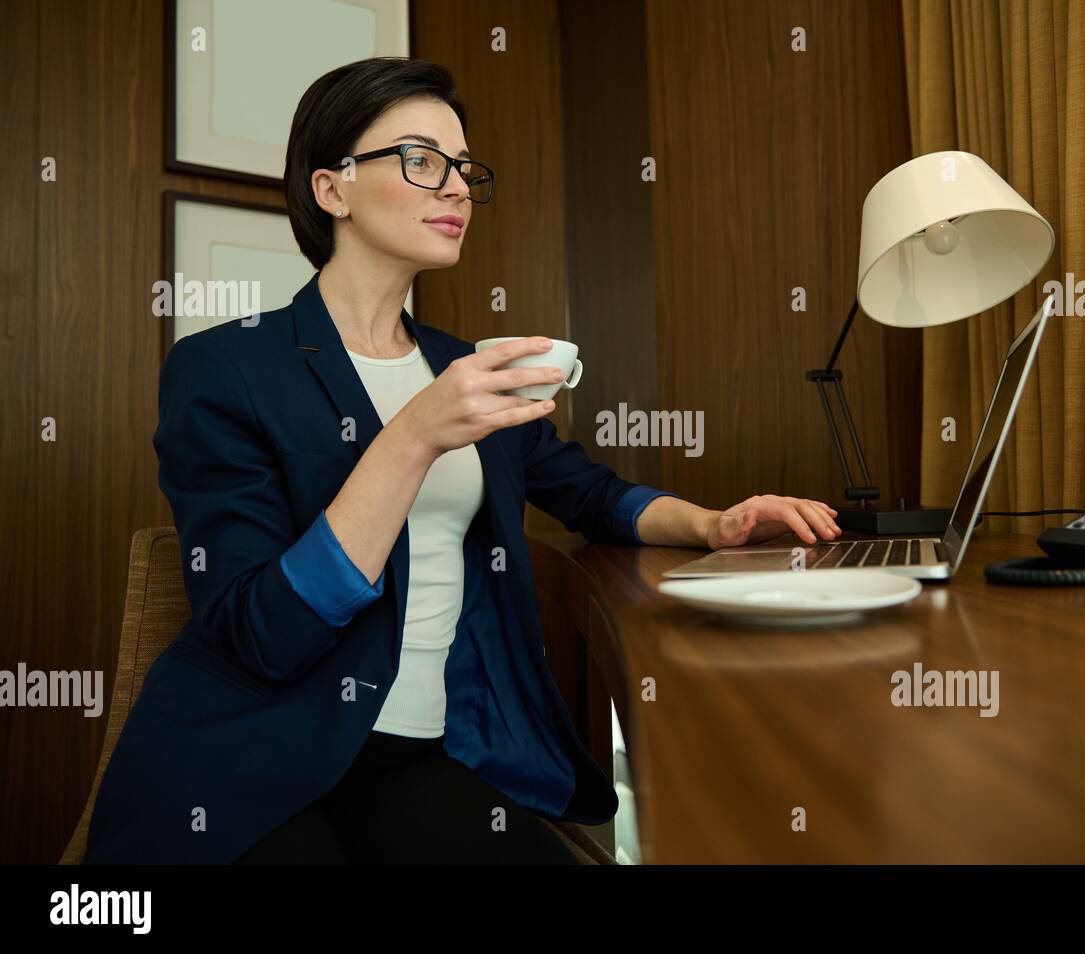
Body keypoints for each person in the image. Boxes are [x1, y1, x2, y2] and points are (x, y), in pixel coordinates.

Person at [83, 56, 842, 865]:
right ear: (331, 188)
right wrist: (413, 435)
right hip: (252, 759)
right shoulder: (227, 367)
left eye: (463, 168)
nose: (454, 188)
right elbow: (261, 636)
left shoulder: (464, 367)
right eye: (420, 159)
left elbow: (590, 494)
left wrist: (714, 523)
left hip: (425, 752)